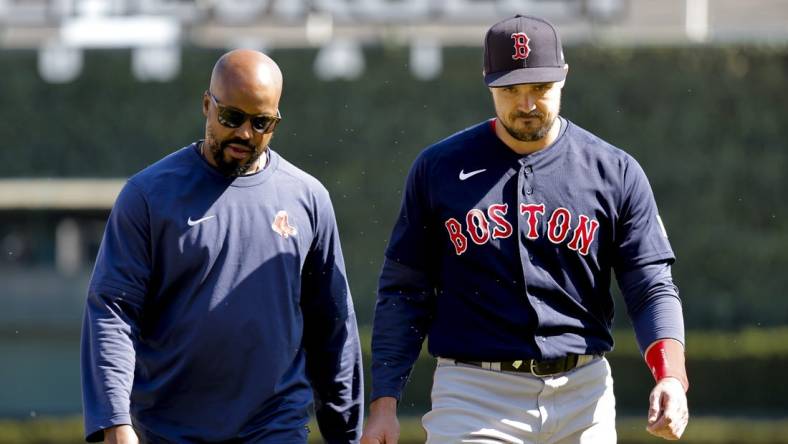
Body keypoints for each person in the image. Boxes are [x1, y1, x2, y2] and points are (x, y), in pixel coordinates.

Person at [362, 14, 689, 444]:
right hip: (475, 395)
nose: (527, 103)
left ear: (564, 76)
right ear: (487, 81)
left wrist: (670, 376)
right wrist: (383, 402)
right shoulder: (439, 169)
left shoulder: (615, 171)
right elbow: (405, 292)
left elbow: (650, 285)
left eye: (540, 87)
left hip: (582, 394)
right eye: (511, 89)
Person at [81, 49, 363, 443]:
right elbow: (112, 311)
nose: (245, 134)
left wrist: (346, 434)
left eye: (261, 122)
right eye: (232, 117)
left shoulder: (309, 199)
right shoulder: (148, 196)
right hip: (169, 431)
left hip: (275, 427)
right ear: (206, 105)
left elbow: (332, 327)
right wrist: (115, 421)